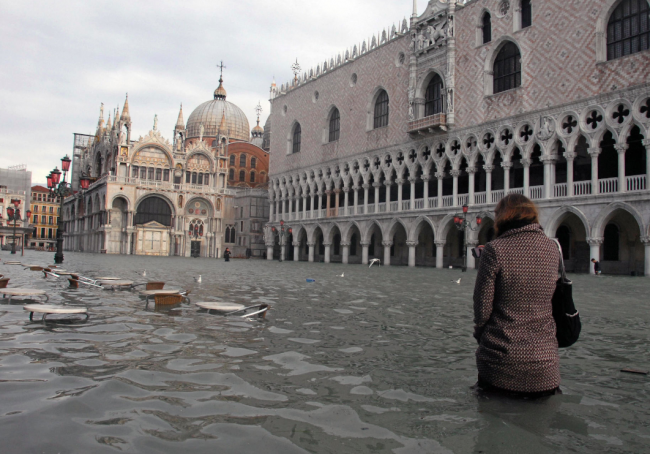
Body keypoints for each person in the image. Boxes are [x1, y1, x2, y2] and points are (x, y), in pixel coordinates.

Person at [473, 194, 561, 398]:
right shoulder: (552, 248)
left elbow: (482, 308)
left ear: (503, 217)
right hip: (546, 366)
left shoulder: (495, 249)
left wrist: (481, 334)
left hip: (501, 363)